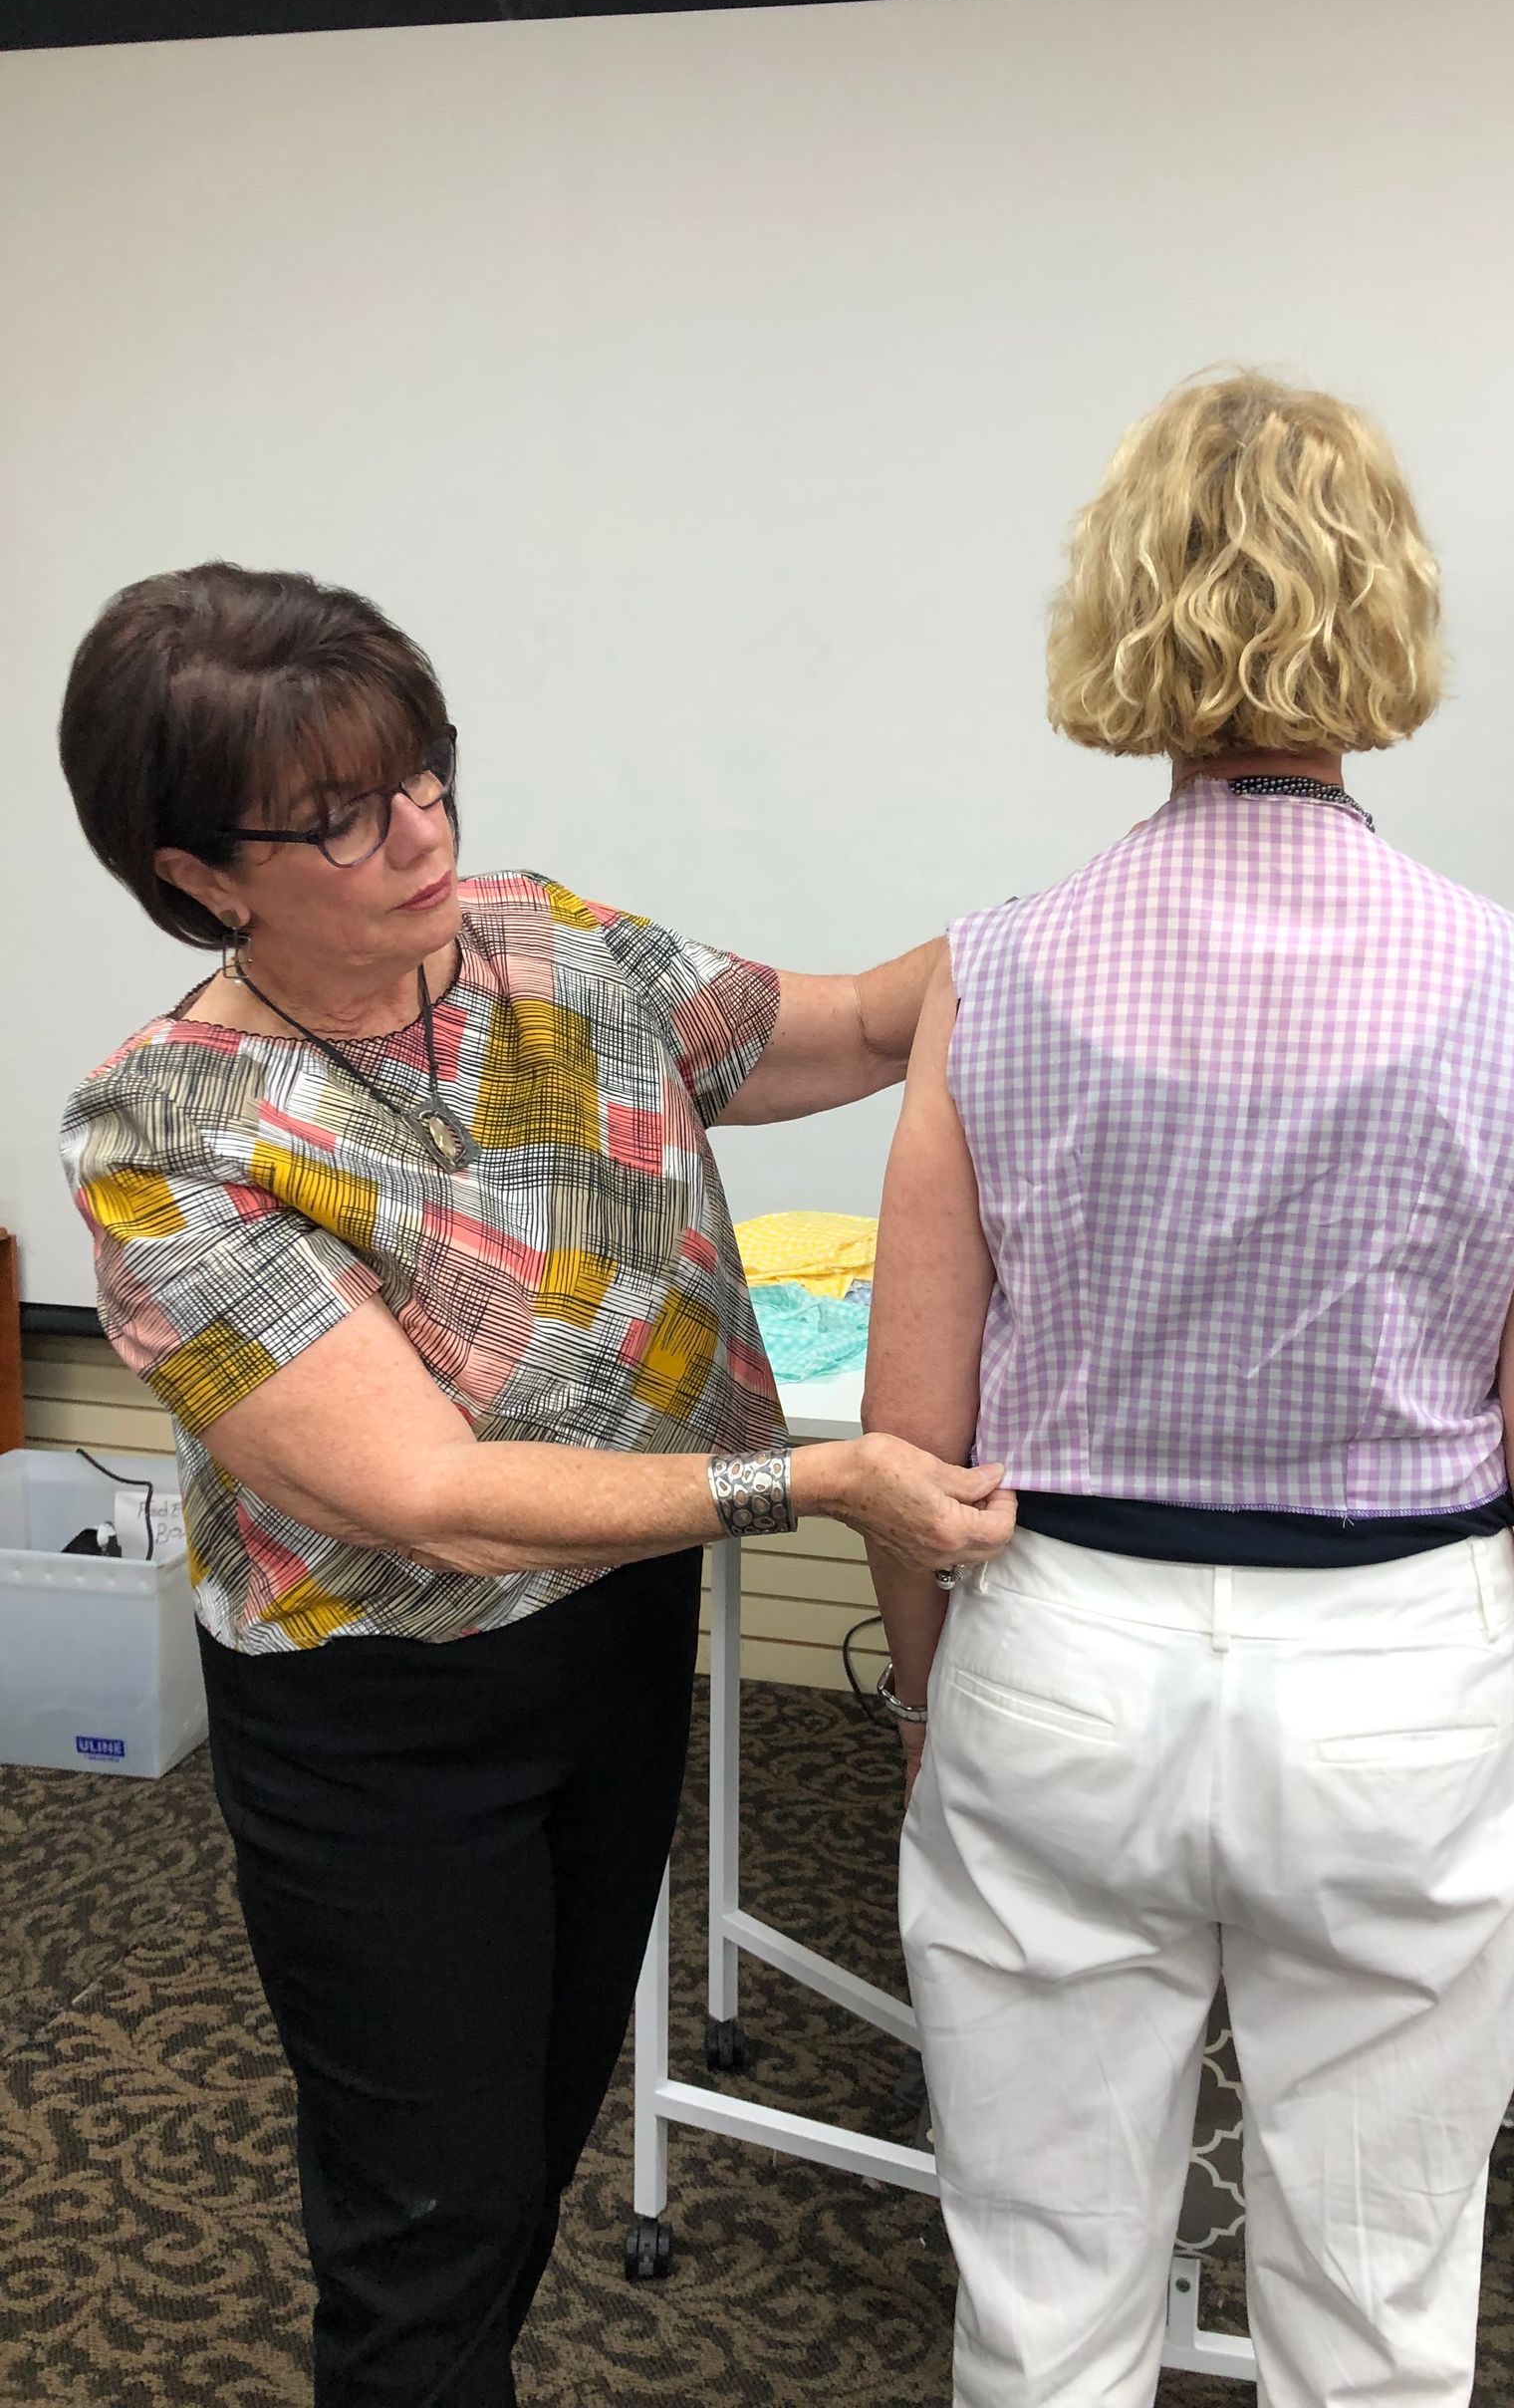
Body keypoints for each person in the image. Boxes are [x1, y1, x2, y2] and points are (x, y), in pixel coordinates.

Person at [57, 561, 1013, 2408]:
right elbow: (431, 1494)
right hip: (388, 1713)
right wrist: (817, 1480)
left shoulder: (545, 946)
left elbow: (853, 1025)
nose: (421, 834)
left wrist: (1066, 923)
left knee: (536, 2145)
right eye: (344, 816)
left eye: (426, 774)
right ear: (201, 873)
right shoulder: (169, 1128)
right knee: (423, 2226)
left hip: (614, 1638)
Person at [861, 374, 1514, 2407]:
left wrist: (939, 1692)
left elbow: (913, 1442)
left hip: (1060, 1652)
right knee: (1379, 2306)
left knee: (1042, 2292)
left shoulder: (989, 976)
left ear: (1118, 606)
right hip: (1408, 1683)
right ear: (1390, 608)